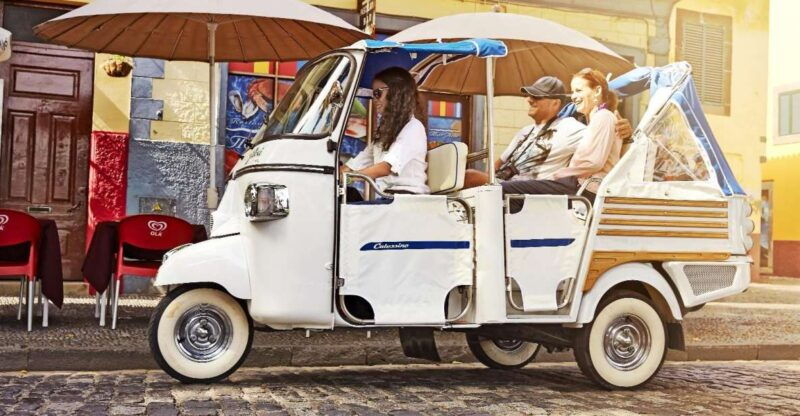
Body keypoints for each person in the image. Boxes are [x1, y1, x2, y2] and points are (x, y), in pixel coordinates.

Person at [463, 76, 631, 189]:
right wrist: (485, 182)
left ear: (555, 103)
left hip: (533, 191)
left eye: (536, 96)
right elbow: (498, 164)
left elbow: (602, 143)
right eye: (529, 95)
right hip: (504, 184)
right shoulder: (525, 131)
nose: (529, 99)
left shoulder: (570, 128)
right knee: (467, 178)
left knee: (469, 177)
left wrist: (624, 133)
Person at [501, 68, 624, 205]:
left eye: (579, 90)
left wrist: (558, 174)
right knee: (508, 192)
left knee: (502, 190)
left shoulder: (603, 117)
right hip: (578, 186)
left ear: (597, 91)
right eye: (572, 91)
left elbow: (593, 163)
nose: (573, 96)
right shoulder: (597, 119)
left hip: (583, 189)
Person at [340, 67, 430, 198]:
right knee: (349, 196)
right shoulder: (385, 132)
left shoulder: (413, 127)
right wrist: (337, 174)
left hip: (407, 198)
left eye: (377, 93)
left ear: (396, 93)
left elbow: (385, 167)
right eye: (373, 94)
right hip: (389, 198)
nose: (374, 99)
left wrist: (348, 178)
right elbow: (360, 161)